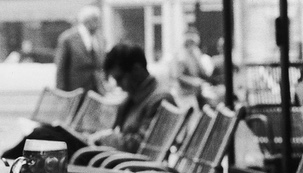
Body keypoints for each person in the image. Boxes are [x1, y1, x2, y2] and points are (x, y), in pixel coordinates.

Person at [2, 43, 175, 159]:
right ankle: (5, 162)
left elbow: (142, 146)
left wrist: (106, 138)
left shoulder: (159, 99)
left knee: (43, 138)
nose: (120, 86)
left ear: (136, 70)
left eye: (120, 78)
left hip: (109, 161)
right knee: (46, 133)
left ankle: (4, 163)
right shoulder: (138, 97)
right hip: (105, 155)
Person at [54, 5, 106, 94]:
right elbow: (61, 67)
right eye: (95, 19)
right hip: (75, 90)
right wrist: (61, 92)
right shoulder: (68, 39)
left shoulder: (100, 38)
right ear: (87, 20)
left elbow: (101, 65)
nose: (98, 23)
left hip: (97, 91)